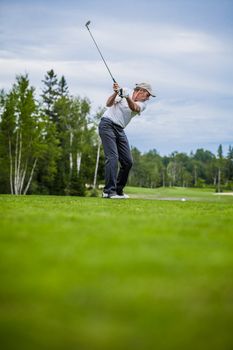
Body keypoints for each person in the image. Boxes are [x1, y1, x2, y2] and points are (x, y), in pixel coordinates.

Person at [99, 82, 155, 199]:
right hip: (107, 124)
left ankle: (118, 190)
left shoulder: (142, 104)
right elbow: (108, 104)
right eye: (148, 95)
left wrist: (126, 96)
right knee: (112, 157)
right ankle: (108, 192)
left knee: (127, 162)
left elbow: (133, 107)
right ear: (141, 91)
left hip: (119, 129)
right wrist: (115, 93)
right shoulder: (124, 91)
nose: (148, 98)